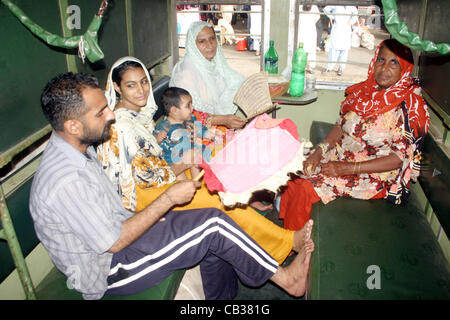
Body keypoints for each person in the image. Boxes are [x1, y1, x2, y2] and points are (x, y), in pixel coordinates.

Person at [30, 71, 315, 300]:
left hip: (119, 239)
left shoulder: (79, 148)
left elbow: (115, 210)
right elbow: (114, 241)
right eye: (100, 112)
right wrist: (166, 200)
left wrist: (159, 211)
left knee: (211, 225)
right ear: (73, 126)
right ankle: (287, 281)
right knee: (212, 224)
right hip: (107, 269)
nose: (111, 115)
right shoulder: (66, 179)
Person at [97, 56, 313, 265]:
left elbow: (154, 161)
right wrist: (184, 165)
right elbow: (139, 179)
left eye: (144, 81)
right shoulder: (121, 126)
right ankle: (287, 242)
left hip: (162, 181)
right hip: (147, 197)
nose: (142, 90)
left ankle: (280, 239)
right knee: (219, 202)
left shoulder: (139, 116)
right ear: (117, 88)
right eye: (131, 86)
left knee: (220, 188)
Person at [280, 39, 430, 230]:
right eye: (381, 60)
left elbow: (398, 159)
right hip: (342, 157)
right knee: (294, 170)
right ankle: (289, 232)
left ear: (405, 69)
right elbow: (340, 126)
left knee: (305, 187)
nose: (384, 68)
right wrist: (319, 151)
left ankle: (296, 246)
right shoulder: (365, 92)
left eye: (394, 63)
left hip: (373, 175)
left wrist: (345, 168)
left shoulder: (408, 106)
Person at [170, 21, 247, 129]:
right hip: (189, 132)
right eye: (202, 41)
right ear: (193, 44)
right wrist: (223, 120)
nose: (210, 45)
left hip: (211, 127)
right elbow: (186, 115)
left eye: (212, 38)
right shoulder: (185, 73)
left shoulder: (212, 63)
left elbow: (233, 80)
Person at [154, 86, 214, 180]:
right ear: (174, 110)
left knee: (198, 161)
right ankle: (187, 186)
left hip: (191, 152)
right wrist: (157, 138)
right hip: (173, 160)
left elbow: (201, 129)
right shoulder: (163, 127)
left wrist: (209, 135)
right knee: (179, 176)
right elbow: (152, 145)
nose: (192, 108)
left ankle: (197, 182)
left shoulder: (190, 119)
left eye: (191, 104)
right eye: (188, 106)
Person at [323, 5, 358, 76]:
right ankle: (329, 67)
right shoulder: (336, 4)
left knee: (344, 50)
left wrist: (351, 21)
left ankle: (340, 68)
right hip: (337, 28)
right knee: (333, 49)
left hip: (346, 29)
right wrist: (333, 16)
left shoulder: (351, 7)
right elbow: (326, 9)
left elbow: (355, 14)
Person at [297, 4, 320, 72]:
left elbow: (316, 18)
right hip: (301, 30)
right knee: (301, 50)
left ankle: (309, 67)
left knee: (311, 50)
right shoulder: (300, 7)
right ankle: (301, 66)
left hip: (310, 31)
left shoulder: (314, 7)